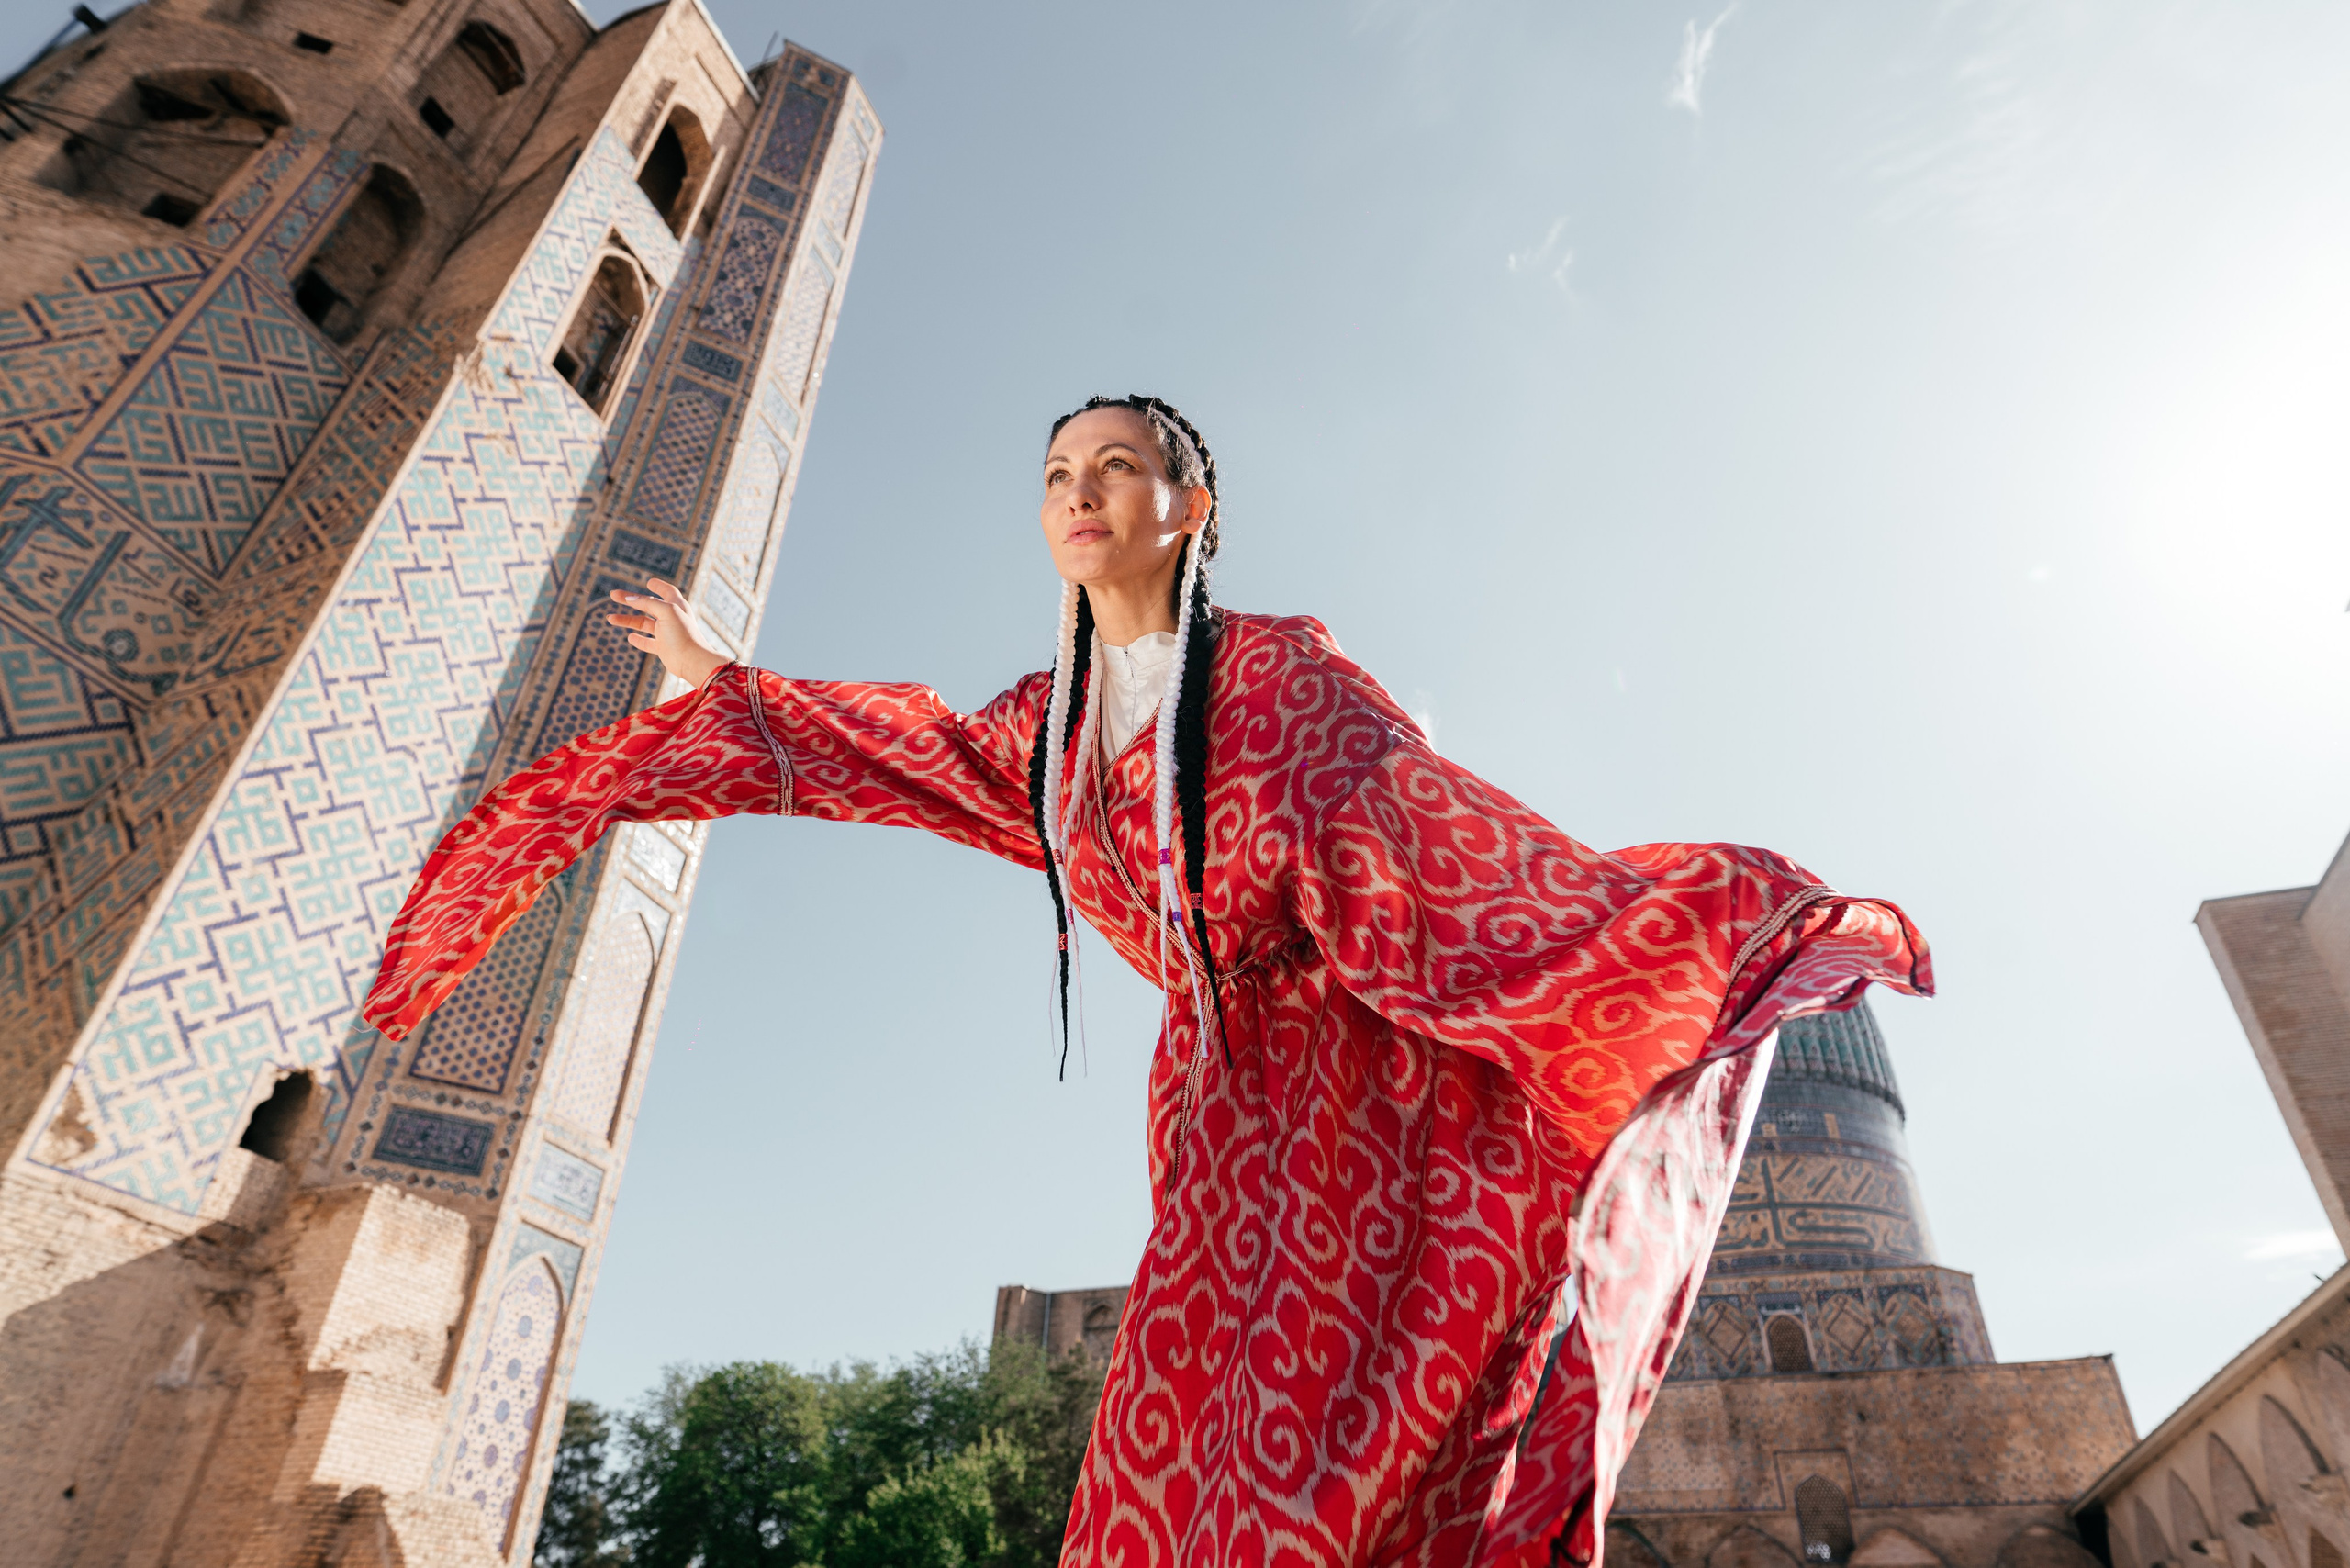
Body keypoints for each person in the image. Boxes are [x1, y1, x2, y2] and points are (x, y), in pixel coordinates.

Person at [365, 395, 1930, 1568]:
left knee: (1337, 1475)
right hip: (1214, 1126)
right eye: (1057, 473)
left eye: (1115, 465)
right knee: (1161, 1479)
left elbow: (1427, 833)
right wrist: (735, 683)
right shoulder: (1046, 728)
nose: (1079, 493)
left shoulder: (1287, 676)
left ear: (1191, 506)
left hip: (1359, 1102)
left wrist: (1689, 931)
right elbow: (902, 756)